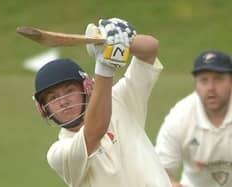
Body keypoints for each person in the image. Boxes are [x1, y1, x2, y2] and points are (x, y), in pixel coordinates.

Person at [33, 18, 171, 187]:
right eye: (53, 98)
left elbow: (150, 50)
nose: (63, 102)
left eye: (69, 91)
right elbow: (95, 131)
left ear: (87, 87)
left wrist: (122, 43)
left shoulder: (120, 99)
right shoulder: (59, 153)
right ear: (43, 109)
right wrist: (105, 64)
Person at [155, 50, 232, 187]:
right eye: (204, 80)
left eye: (218, 79)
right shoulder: (179, 117)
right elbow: (160, 171)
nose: (211, 88)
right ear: (195, 83)